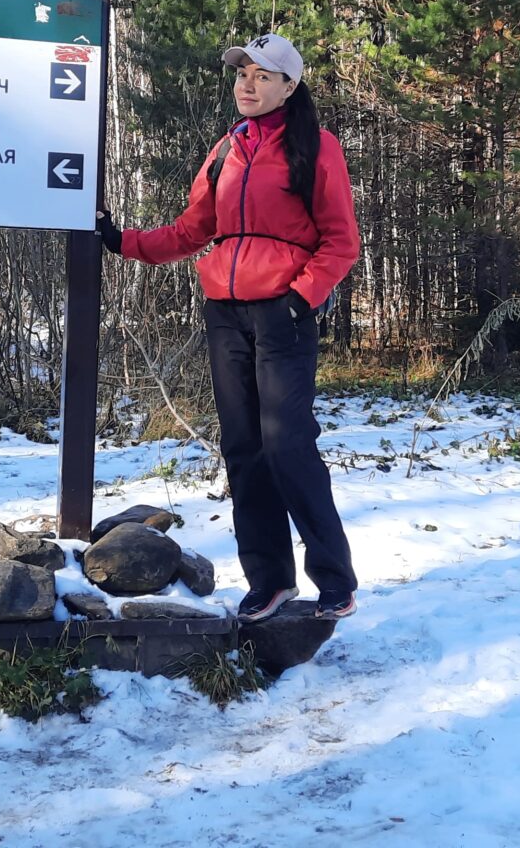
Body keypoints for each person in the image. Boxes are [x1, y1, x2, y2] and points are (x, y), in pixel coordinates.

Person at [97, 33, 362, 621]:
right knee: (243, 451)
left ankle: (335, 578)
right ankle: (269, 581)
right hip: (225, 312)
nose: (247, 82)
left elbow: (342, 241)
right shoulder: (226, 151)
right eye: (242, 72)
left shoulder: (317, 148)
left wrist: (302, 297)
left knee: (287, 444)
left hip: (281, 313)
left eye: (263, 75)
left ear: (289, 87)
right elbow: (191, 231)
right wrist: (122, 240)